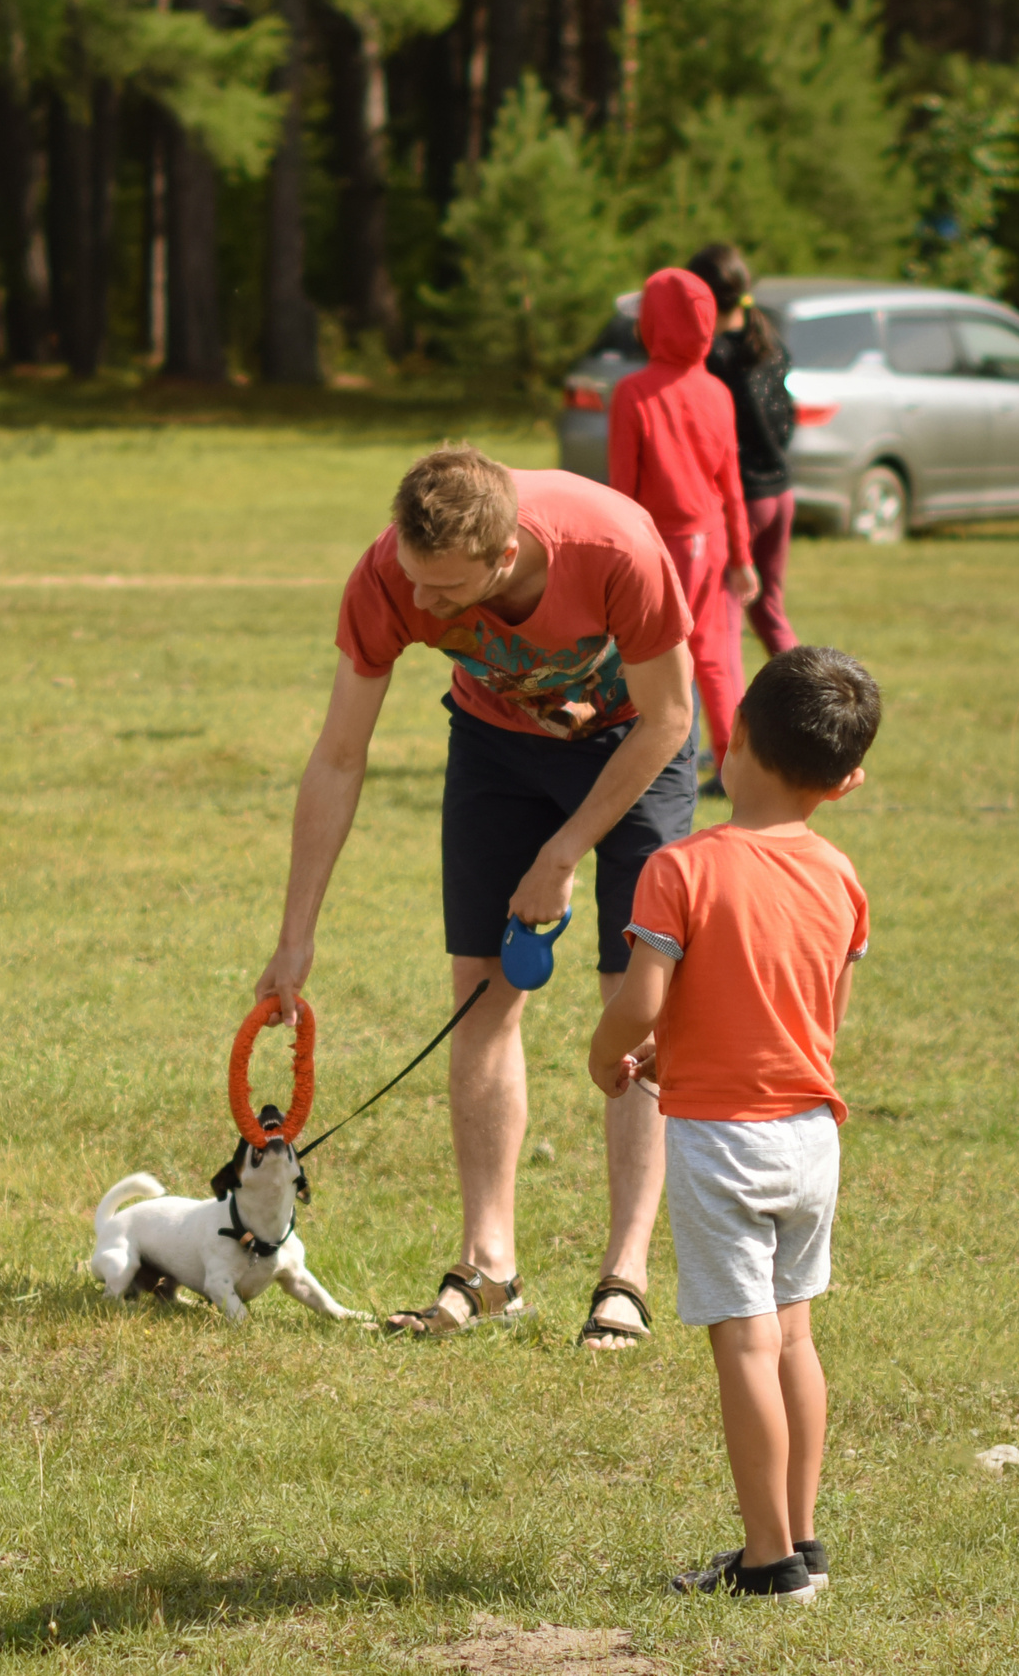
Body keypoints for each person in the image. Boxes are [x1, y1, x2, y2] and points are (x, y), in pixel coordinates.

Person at [252, 445, 698, 1347]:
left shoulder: (615, 550)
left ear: (505, 558)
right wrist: (295, 937)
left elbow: (672, 717)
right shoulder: (390, 576)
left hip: (632, 751)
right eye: (414, 581)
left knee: (637, 1005)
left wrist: (565, 851)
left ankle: (627, 1276)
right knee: (483, 997)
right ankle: (490, 1266)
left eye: (445, 594)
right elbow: (339, 755)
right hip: (496, 746)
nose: (421, 608)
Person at [584, 646, 878, 1600]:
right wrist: (680, 1054)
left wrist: (613, 1058)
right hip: (811, 1137)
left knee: (745, 1345)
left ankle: (766, 1564)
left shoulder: (680, 869)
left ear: (733, 739)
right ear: (847, 780)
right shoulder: (840, 877)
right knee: (795, 1336)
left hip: (722, 1144)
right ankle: (802, 1538)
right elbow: (808, 1013)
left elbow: (642, 1001)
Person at [609, 267, 761, 785]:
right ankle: (736, 766)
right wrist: (742, 556)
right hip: (713, 542)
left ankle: (645, 762)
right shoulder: (717, 391)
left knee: (645, 658)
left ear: (651, 323)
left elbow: (622, 490)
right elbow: (732, 484)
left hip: (658, 548)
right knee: (716, 661)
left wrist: (612, 561)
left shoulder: (633, 392)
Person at [691, 244, 799, 660]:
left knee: (726, 614)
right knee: (769, 610)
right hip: (781, 492)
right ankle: (806, 696)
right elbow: (787, 418)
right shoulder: (769, 343)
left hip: (745, 501)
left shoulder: (716, 358)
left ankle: (734, 712)